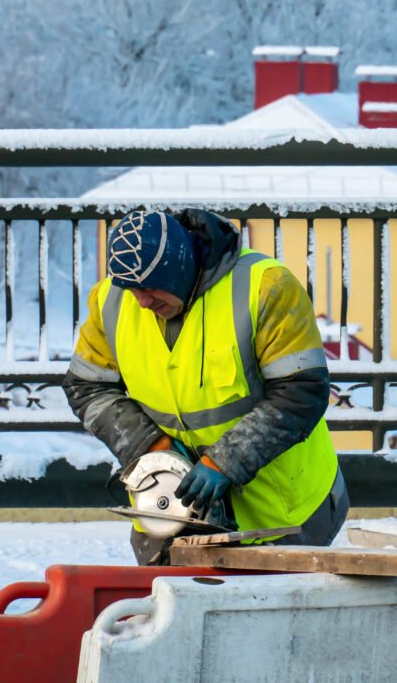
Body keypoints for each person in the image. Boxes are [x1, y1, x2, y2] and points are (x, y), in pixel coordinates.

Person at [63, 207, 348, 565]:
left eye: (150, 287)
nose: (142, 301)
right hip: (172, 509)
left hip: (281, 512)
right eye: (131, 289)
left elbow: (302, 391)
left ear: (179, 269)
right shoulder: (111, 300)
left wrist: (226, 461)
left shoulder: (266, 287)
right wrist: (153, 449)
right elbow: (86, 387)